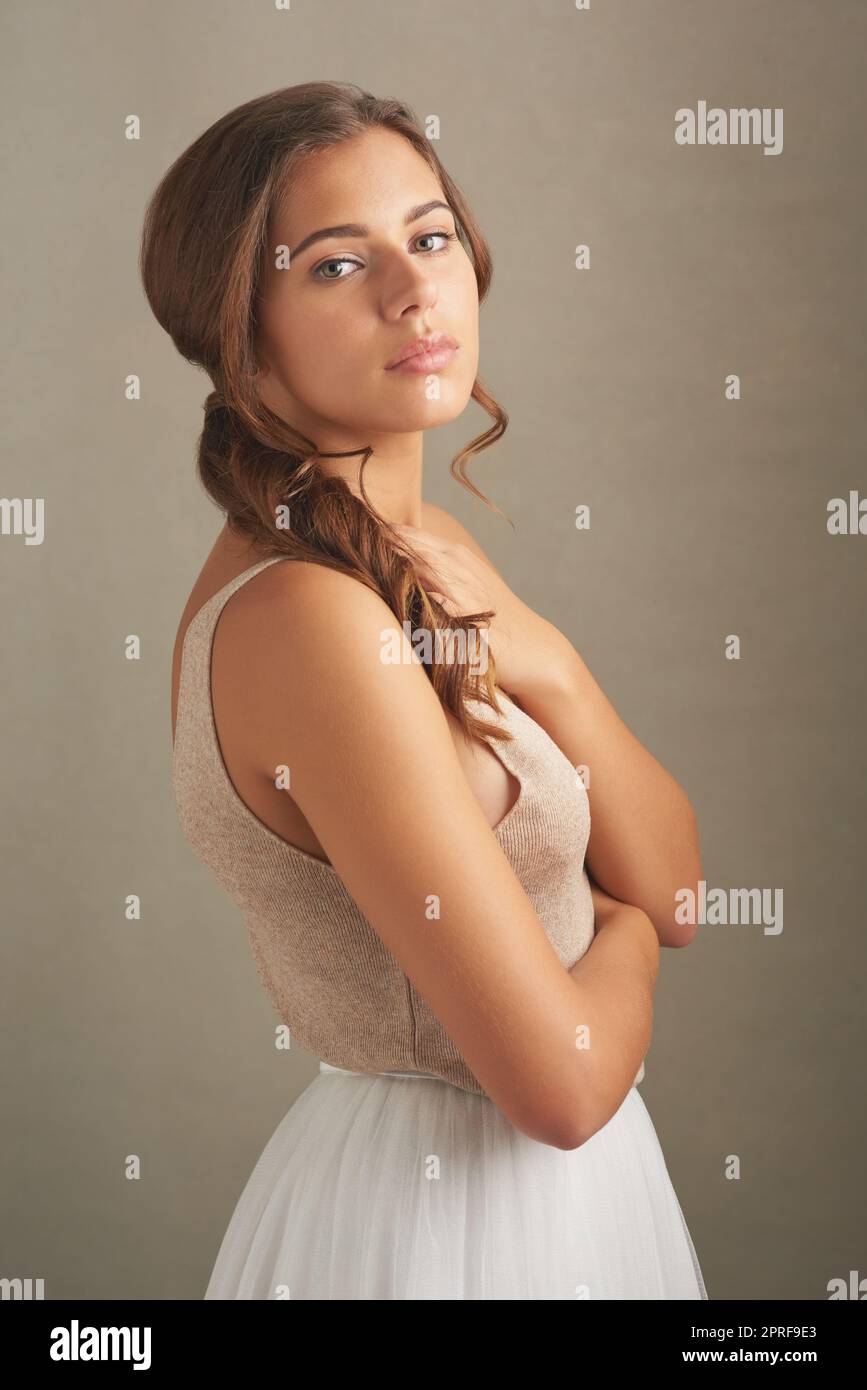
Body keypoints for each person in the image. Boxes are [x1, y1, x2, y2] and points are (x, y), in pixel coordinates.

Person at [142, 80, 708, 1300]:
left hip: (555, 1207)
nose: (415, 291)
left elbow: (682, 883)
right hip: (441, 1225)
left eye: (432, 236)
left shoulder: (415, 557)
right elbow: (562, 1077)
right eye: (338, 266)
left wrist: (539, 649)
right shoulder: (308, 620)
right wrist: (618, 933)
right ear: (240, 328)